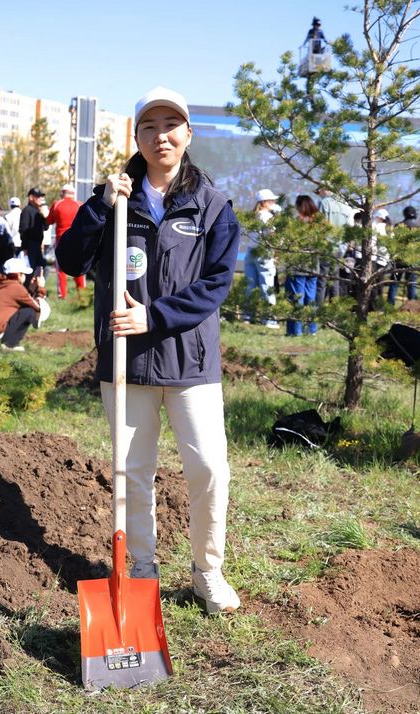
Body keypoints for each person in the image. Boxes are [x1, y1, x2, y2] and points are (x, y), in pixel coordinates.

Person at [57, 86, 241, 614]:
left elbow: (216, 284)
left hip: (191, 360)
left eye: (171, 125)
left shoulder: (212, 205)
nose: (161, 135)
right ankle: (141, 567)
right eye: (150, 126)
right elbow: (70, 261)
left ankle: (207, 571)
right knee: (132, 472)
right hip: (127, 361)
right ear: (136, 136)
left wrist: (153, 316)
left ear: (188, 134)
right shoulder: (115, 200)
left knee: (208, 468)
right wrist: (98, 206)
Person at [0, 257, 49, 351]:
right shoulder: (16, 288)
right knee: (29, 312)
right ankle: (10, 344)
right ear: (19, 275)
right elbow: (38, 308)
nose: (25, 276)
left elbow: (22, 302)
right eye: (23, 274)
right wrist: (40, 288)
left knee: (25, 309)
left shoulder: (1, 284)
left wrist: (31, 289)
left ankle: (6, 342)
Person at [244, 188, 280, 328]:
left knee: (250, 286)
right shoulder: (267, 216)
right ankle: (270, 319)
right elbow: (272, 236)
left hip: (250, 251)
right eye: (271, 200)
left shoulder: (254, 215)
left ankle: (248, 316)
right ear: (264, 202)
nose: (274, 202)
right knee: (267, 286)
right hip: (263, 252)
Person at [285, 195, 319, 336]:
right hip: (313, 266)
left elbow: (288, 243)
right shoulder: (317, 223)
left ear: (299, 206)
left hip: (297, 266)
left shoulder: (296, 223)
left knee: (296, 299)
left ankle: (295, 331)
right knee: (310, 299)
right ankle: (312, 330)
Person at [315, 186, 354, 302]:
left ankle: (318, 309)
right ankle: (334, 308)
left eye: (320, 191)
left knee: (322, 281)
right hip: (340, 248)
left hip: (326, 246)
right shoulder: (346, 205)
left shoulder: (324, 203)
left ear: (325, 189)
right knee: (335, 279)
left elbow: (319, 225)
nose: (319, 193)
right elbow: (349, 228)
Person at [46, 184, 86, 298]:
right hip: (77, 239)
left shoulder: (57, 204)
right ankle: (82, 293)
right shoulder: (79, 204)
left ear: (63, 193)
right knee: (79, 265)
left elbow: (49, 221)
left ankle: (62, 294)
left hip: (61, 239)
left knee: (61, 268)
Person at [388, 206, 418, 304]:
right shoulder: (418, 226)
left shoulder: (398, 226)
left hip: (399, 258)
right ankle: (411, 308)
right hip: (412, 258)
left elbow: (393, 242)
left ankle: (389, 307)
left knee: (394, 283)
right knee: (411, 284)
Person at [19, 187, 48, 288]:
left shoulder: (38, 211)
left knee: (42, 267)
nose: (40, 199)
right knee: (29, 270)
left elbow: (46, 227)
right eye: (37, 197)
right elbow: (23, 230)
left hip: (37, 245)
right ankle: (27, 290)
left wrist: (44, 216)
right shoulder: (27, 211)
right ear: (31, 197)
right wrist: (25, 248)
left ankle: (35, 289)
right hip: (30, 245)